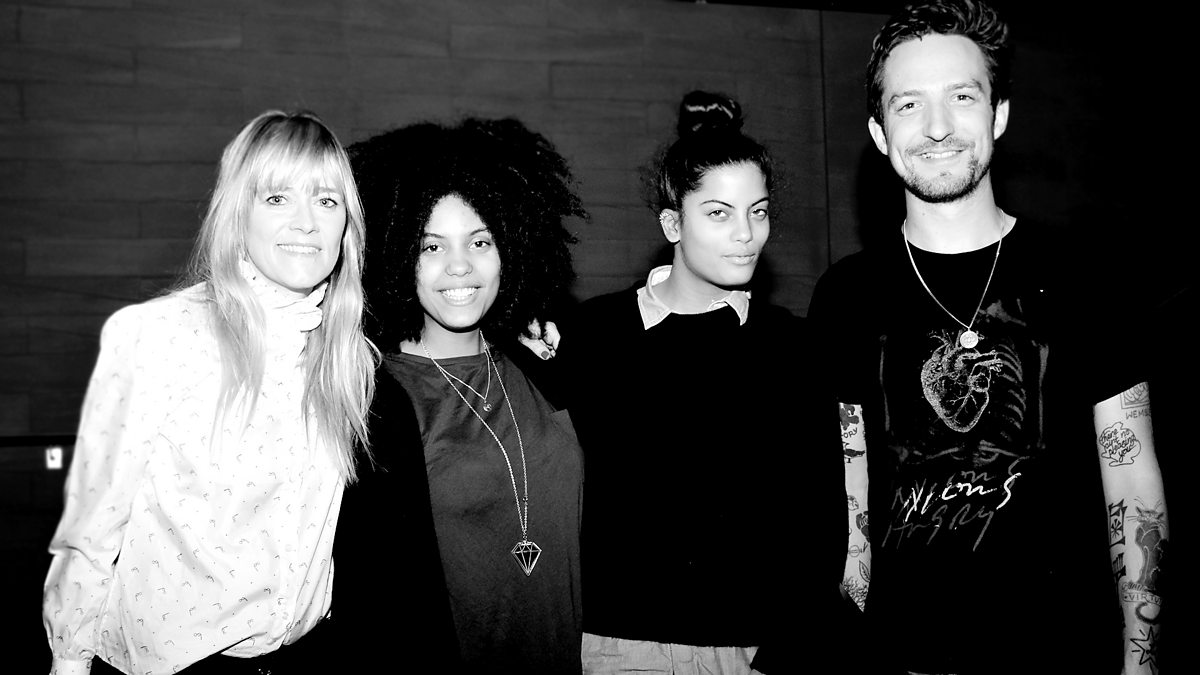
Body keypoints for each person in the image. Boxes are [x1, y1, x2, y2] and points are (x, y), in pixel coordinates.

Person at [807, 1, 1169, 673]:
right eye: (909, 104)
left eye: (962, 96)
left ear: (998, 114)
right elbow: (852, 500)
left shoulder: (1084, 276)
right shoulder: (845, 295)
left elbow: (1131, 479)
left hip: (1065, 657)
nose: (937, 126)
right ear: (880, 132)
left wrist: (1140, 660)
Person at [41, 110, 376, 674]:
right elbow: (92, 530)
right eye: (277, 198)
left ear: (346, 225)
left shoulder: (346, 356)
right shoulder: (160, 336)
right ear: (238, 214)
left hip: (306, 659)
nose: (306, 223)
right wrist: (68, 662)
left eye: (326, 200)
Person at [539, 90, 847, 674]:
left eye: (758, 211)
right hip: (614, 644)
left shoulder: (790, 345)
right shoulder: (593, 333)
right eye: (719, 213)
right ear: (672, 222)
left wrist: (787, 647)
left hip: (751, 648)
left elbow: (819, 516)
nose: (746, 234)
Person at [329, 117, 586, 674]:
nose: (460, 266)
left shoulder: (541, 365)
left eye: (480, 241)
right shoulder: (372, 399)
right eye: (431, 246)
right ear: (397, 253)